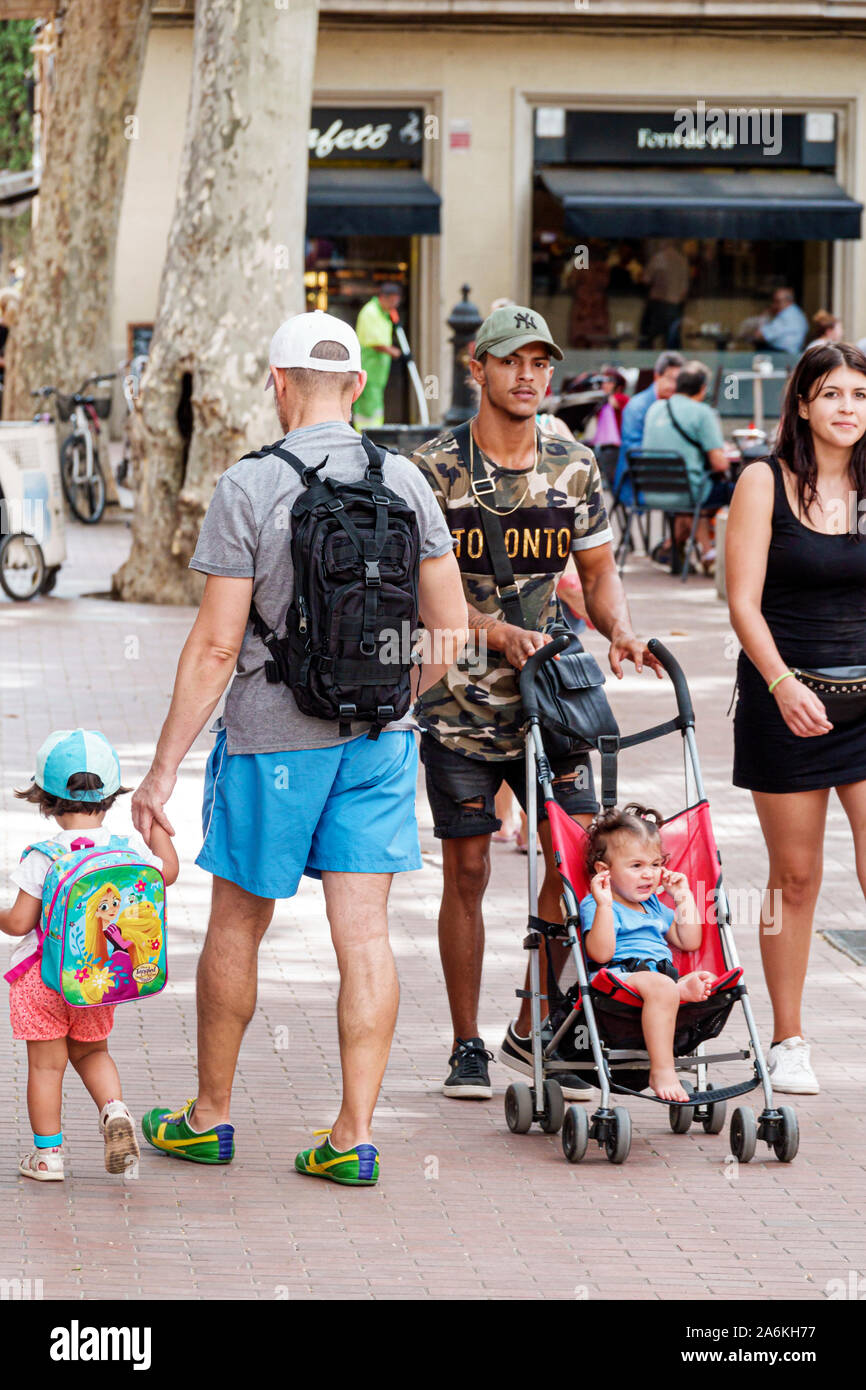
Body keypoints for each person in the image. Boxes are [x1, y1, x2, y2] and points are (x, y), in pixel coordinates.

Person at [131, 310, 466, 1186]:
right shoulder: (408, 480)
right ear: (358, 386)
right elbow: (450, 630)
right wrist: (394, 699)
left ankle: (209, 1118)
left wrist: (162, 770)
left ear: (276, 382)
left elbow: (214, 648)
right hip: (380, 742)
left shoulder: (249, 486)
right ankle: (352, 1136)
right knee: (364, 935)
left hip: (272, 742)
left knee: (239, 921)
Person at [412, 303, 662, 1100]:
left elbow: (597, 571)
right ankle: (465, 1044)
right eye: (511, 361)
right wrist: (488, 632)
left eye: (541, 363)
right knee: (471, 868)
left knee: (575, 855)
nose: (528, 376)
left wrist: (618, 630)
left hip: (553, 698)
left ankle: (535, 1023)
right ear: (476, 369)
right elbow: (423, 597)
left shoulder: (573, 462)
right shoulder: (433, 469)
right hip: (459, 702)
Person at [726, 340, 866, 1095]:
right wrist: (781, 684)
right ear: (804, 404)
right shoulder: (763, 482)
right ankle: (788, 1039)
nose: (849, 408)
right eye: (835, 394)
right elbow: (742, 602)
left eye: (861, 395)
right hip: (789, 701)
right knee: (798, 876)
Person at [0, 729, 178, 1181]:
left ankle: (47, 1157)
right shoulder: (128, 849)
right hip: (97, 979)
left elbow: (20, 923)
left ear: (45, 799)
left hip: (43, 979)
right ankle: (114, 1111)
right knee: (93, 1052)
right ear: (112, 795)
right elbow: (169, 873)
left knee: (46, 1065)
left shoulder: (42, 856)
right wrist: (155, 828)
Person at [580, 805, 714, 1103]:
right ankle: (662, 1070)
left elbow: (688, 940)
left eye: (655, 864)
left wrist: (683, 898)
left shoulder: (653, 906)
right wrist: (603, 906)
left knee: (697, 980)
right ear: (605, 871)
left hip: (656, 979)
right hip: (615, 978)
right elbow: (600, 954)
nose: (649, 875)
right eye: (636, 866)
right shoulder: (597, 904)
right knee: (663, 985)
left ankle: (676, 990)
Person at [642, 360, 732, 569]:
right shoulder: (702, 413)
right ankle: (712, 552)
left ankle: (673, 546)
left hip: (650, 490)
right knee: (734, 491)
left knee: (694, 497)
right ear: (702, 388)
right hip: (687, 492)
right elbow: (720, 464)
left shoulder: (655, 408)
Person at [613, 350, 684, 506]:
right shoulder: (637, 407)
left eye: (679, 381)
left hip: (668, 479)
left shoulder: (677, 403)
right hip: (639, 484)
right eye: (671, 379)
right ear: (657, 376)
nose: (675, 386)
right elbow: (635, 452)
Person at [353, 282, 403, 429]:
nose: (395, 305)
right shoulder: (371, 312)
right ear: (383, 297)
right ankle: (366, 437)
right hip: (369, 370)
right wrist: (394, 352)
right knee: (367, 409)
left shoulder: (384, 314)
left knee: (375, 407)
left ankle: (374, 438)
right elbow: (374, 342)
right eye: (393, 301)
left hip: (378, 374)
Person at [638, 241, 689, 350]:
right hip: (675, 306)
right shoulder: (682, 261)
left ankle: (646, 364)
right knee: (673, 341)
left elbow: (646, 279)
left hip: (658, 304)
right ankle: (675, 365)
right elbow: (684, 289)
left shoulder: (658, 258)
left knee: (647, 339)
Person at [754, 287, 809, 356]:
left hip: (781, 354)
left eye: (777, 301)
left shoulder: (787, 315)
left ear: (788, 301)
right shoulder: (796, 312)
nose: (774, 305)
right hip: (787, 353)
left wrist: (765, 315)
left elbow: (759, 335)